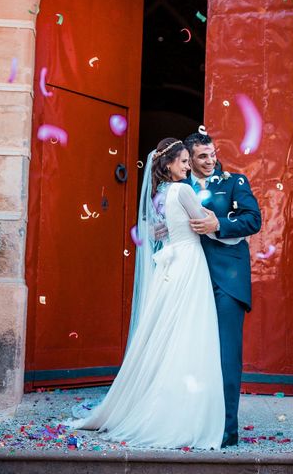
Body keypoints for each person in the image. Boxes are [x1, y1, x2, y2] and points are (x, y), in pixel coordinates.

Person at [69, 138, 225, 449]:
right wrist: (218, 216)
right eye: (182, 161)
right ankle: (179, 412)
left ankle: (156, 398)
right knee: (190, 332)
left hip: (169, 264)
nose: (187, 166)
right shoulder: (182, 190)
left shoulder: (159, 194)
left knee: (165, 333)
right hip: (188, 262)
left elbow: (157, 230)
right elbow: (202, 222)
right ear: (168, 165)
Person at [182, 132, 262, 448]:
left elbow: (253, 220)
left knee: (227, 355)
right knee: (190, 353)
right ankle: (191, 421)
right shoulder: (180, 187)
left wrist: (219, 225)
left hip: (226, 280)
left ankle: (227, 429)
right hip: (189, 278)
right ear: (189, 158)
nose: (210, 160)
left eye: (212, 154)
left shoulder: (235, 183)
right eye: (202, 156)